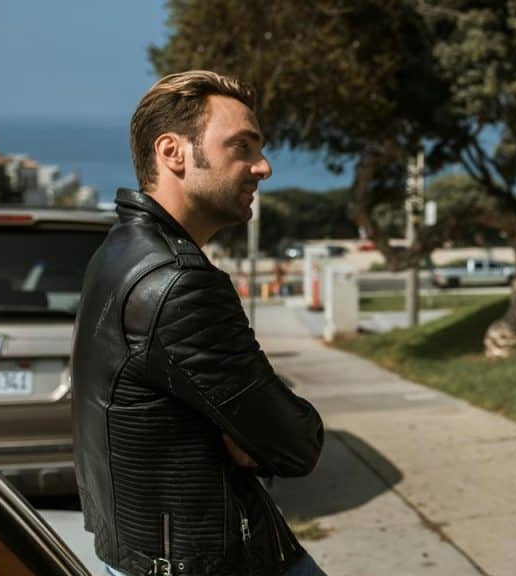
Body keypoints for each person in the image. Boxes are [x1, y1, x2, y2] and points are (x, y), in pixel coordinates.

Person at [72, 70, 326, 576]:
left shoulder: (119, 251)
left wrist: (237, 427)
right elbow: (296, 444)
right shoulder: (178, 284)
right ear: (173, 153)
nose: (263, 167)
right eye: (243, 147)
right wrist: (248, 435)